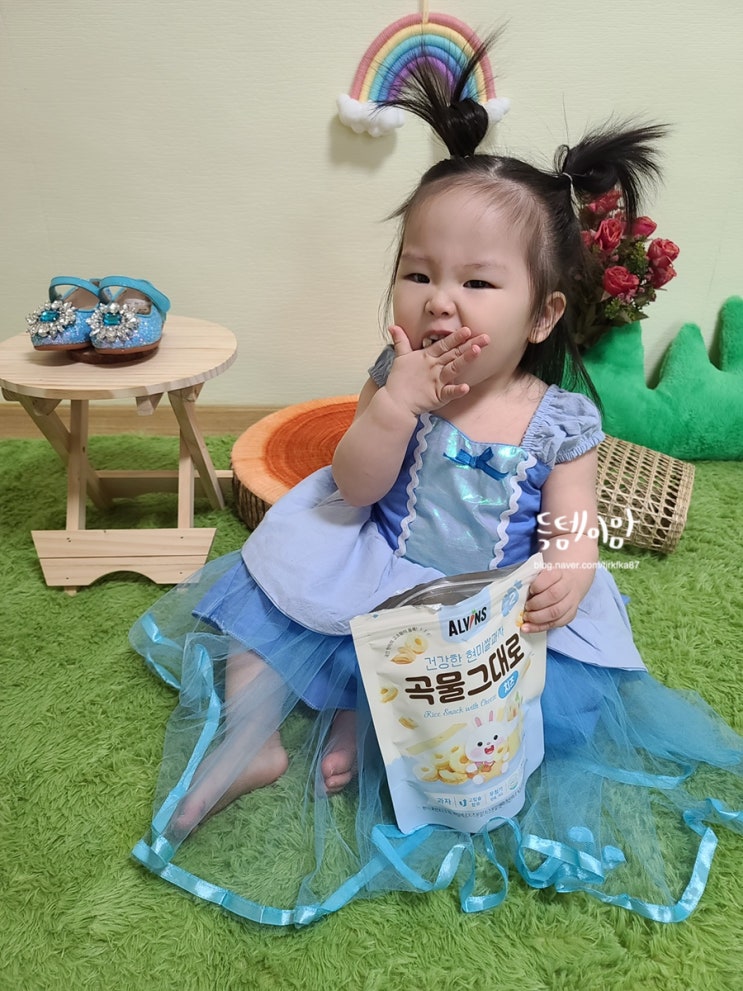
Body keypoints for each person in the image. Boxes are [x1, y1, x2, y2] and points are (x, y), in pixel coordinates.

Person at [130, 46, 742, 926]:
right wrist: (393, 408)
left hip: (488, 605)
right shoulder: (396, 374)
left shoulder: (557, 418)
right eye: (417, 273)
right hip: (380, 559)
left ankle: (363, 725)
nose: (439, 301)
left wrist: (569, 570)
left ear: (542, 314)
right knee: (264, 602)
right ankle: (248, 739)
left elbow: (571, 521)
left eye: (476, 282)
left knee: (524, 711)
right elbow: (355, 484)